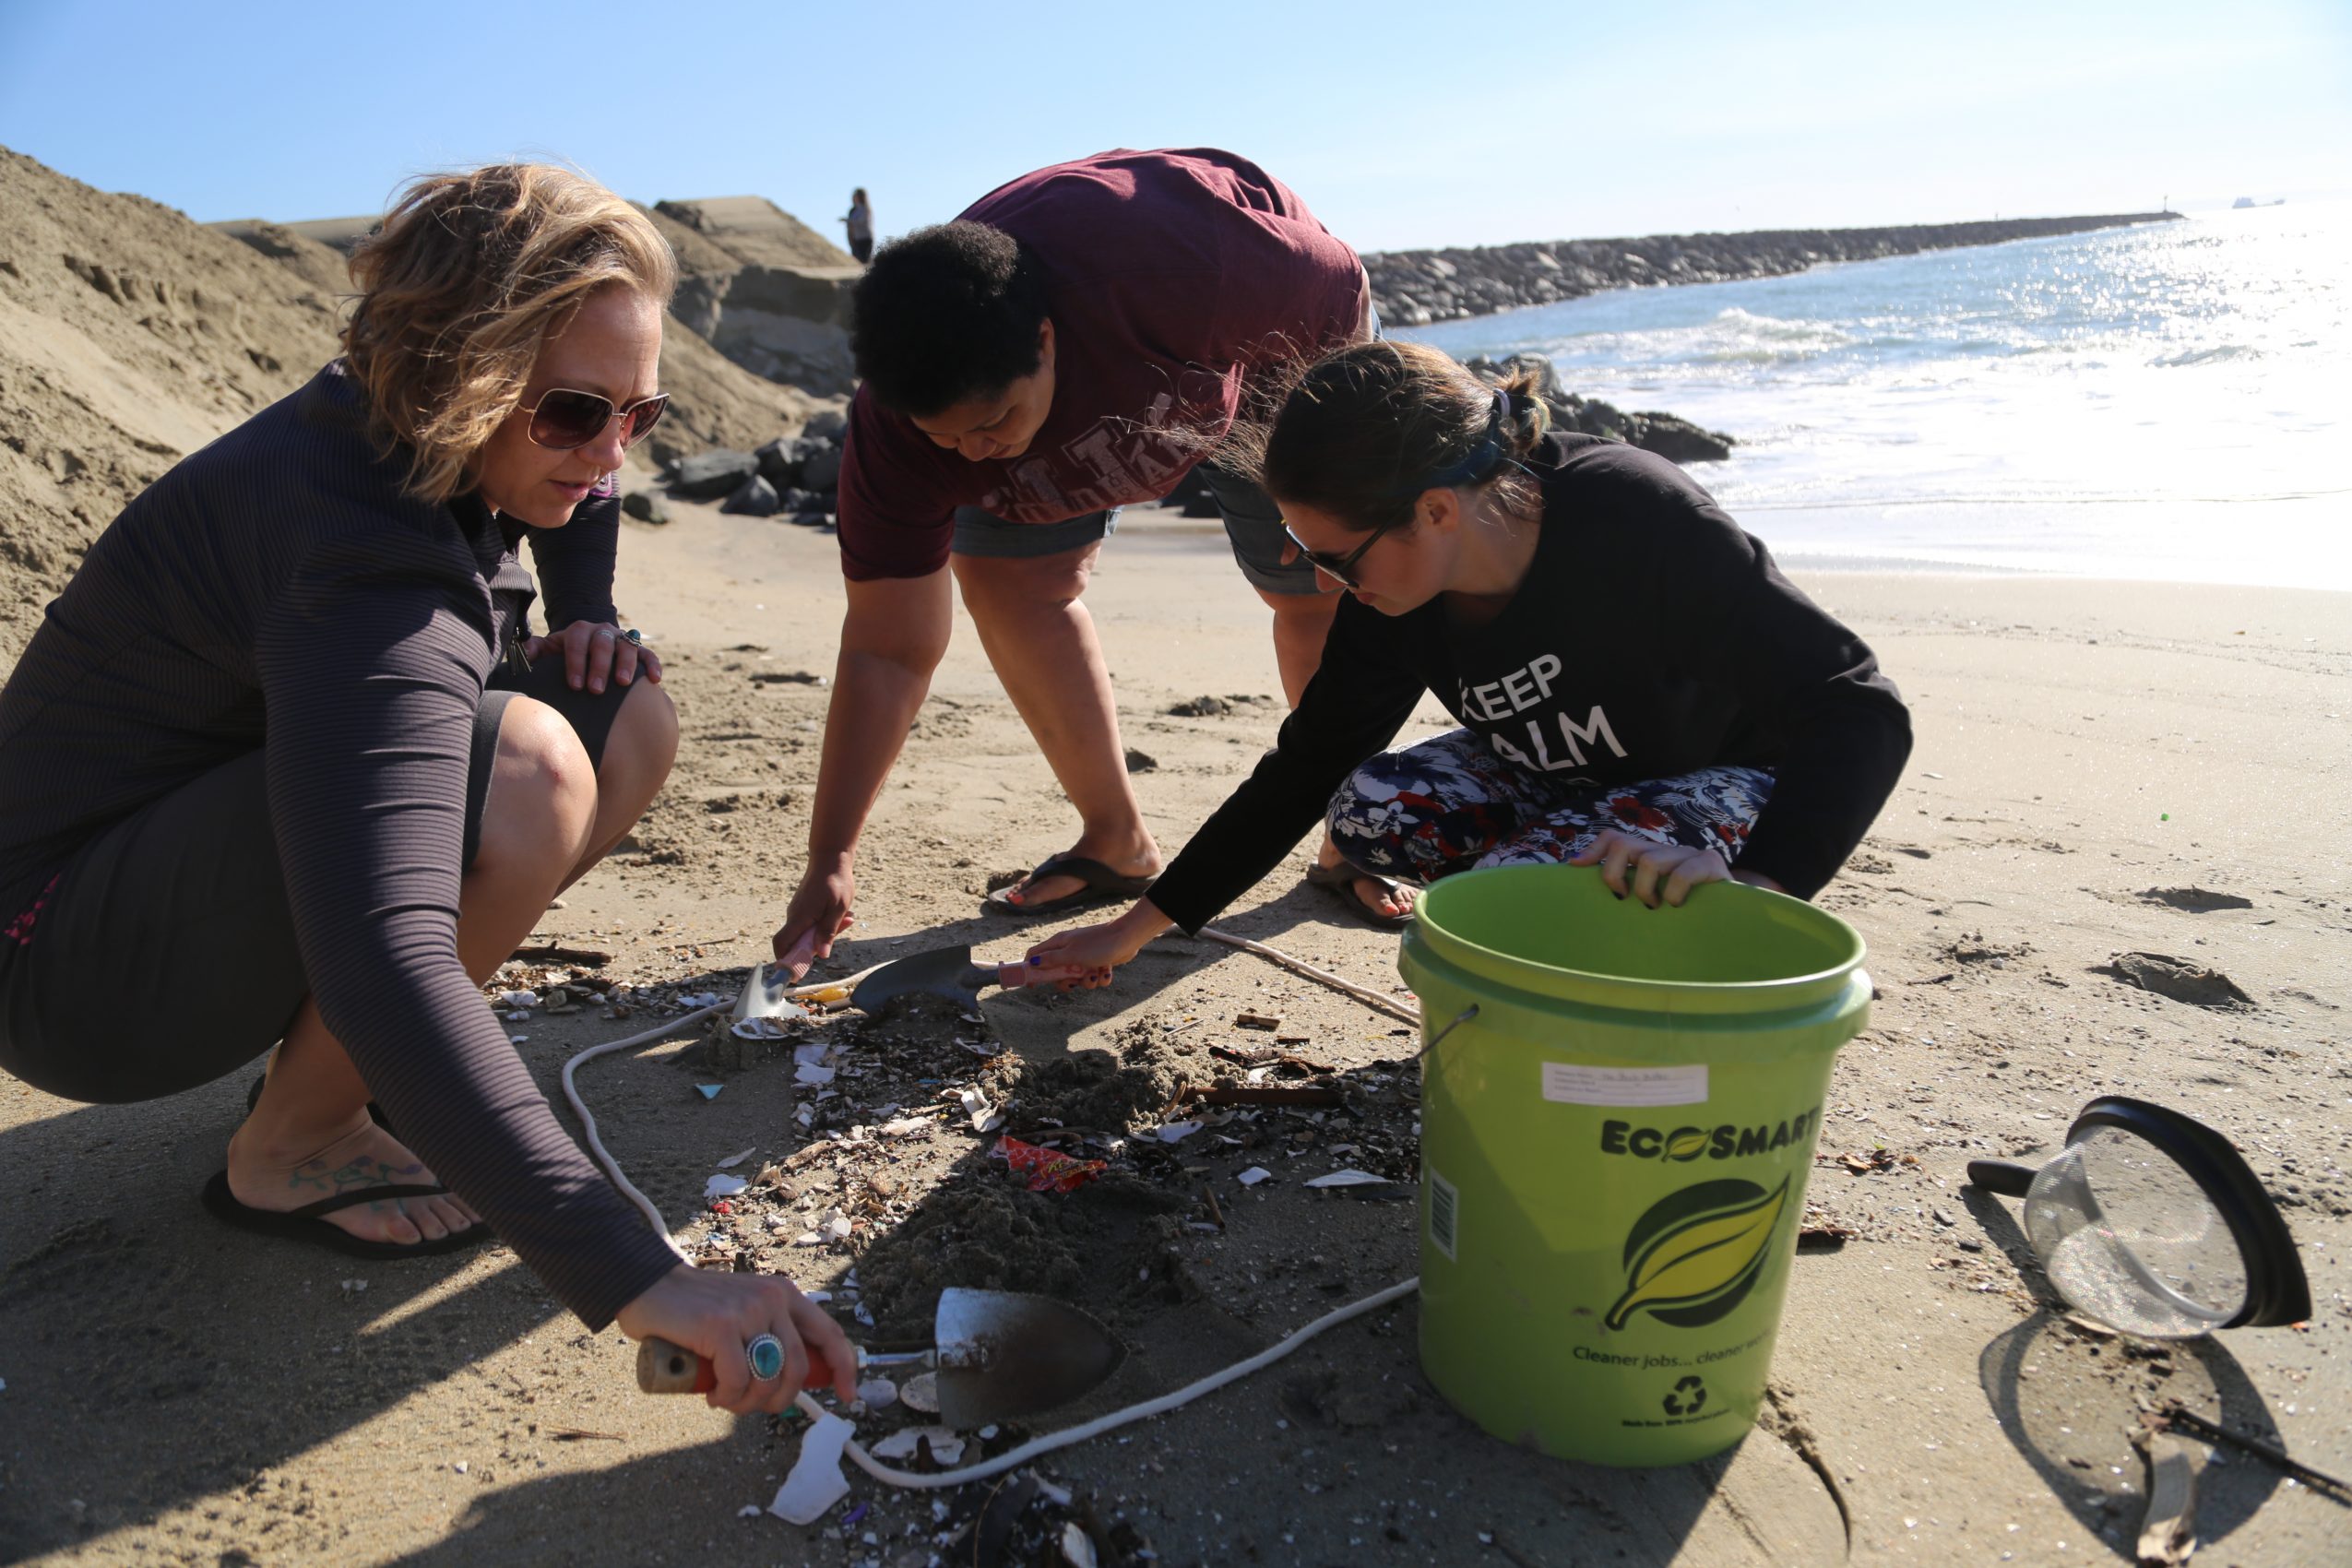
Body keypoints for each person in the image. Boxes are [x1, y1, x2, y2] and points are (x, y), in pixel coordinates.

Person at [0, 164, 853, 1415]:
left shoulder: (408, 430)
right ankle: (289, 1146)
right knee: (520, 768)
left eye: (642, 415)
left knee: (623, 719)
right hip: (62, 960)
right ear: (461, 372)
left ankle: (351, 1081)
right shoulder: (363, 559)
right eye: (571, 413)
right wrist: (635, 1275)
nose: (609, 454)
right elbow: (384, 952)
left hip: (165, 870)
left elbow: (585, 490)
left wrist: (589, 613)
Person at [1026, 340, 1914, 982]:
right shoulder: (1400, 590)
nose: (1322, 578)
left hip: (1725, 779)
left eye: (1335, 555)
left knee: (1494, 912)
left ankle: (1632, 933)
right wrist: (1143, 927)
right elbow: (1308, 764)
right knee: (1367, 810)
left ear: (1437, 512)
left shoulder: (1632, 521)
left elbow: (1858, 705)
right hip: (1565, 778)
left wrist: (1763, 884)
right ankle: (1575, 907)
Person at [773, 148, 1404, 979]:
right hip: (1102, 413)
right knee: (1009, 582)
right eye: (947, 438)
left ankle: (1348, 840)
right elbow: (888, 648)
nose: (973, 452)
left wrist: (1331, 488)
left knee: (1316, 593)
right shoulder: (896, 437)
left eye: (993, 420)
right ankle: (1116, 841)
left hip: (1269, 367)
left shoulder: (1188, 264)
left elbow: (1339, 297)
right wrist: (830, 857)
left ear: (1043, 340)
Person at [841, 187, 873, 265]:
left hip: (865, 238)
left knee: (864, 261)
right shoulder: (854, 210)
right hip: (856, 239)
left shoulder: (865, 209)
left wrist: (847, 220)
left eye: (856, 196)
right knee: (857, 260)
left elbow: (860, 221)